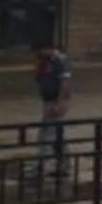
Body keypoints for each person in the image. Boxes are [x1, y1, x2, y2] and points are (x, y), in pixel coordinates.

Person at [32, 44, 72, 183]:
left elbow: (65, 82)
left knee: (47, 133)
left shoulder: (59, 60)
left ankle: (42, 166)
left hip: (56, 101)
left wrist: (60, 102)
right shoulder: (44, 60)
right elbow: (38, 78)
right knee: (57, 134)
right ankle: (64, 166)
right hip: (48, 100)